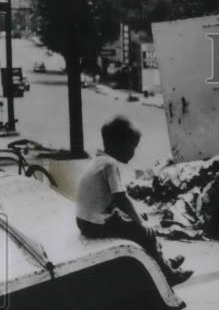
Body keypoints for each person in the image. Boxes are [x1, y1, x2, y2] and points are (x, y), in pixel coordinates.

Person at [76, 116, 192, 286]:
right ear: (120, 144)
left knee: (140, 222)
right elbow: (121, 198)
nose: (133, 153)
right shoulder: (110, 165)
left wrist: (137, 216)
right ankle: (168, 273)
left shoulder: (99, 160)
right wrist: (140, 222)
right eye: (132, 147)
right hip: (95, 224)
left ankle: (162, 262)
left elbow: (113, 199)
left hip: (85, 221)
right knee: (145, 232)